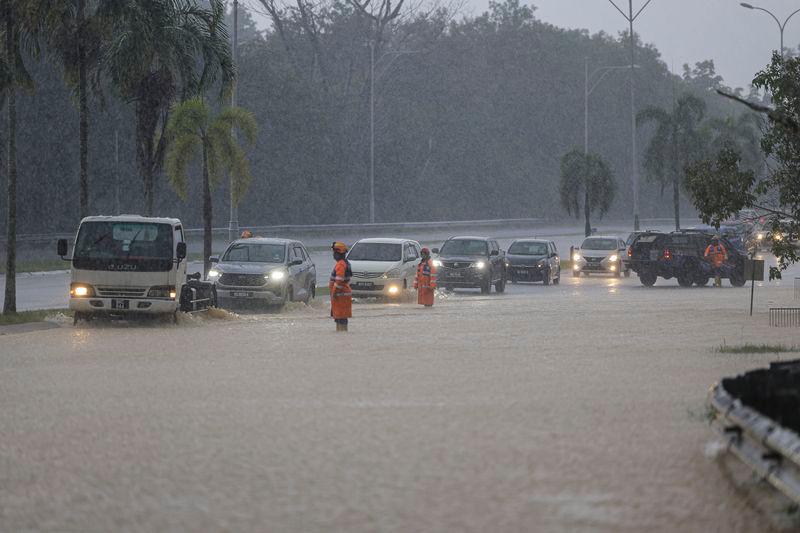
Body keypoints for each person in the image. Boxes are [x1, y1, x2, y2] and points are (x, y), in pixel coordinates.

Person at [329, 242, 352, 331]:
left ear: (338, 253)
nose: (333, 255)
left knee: (341, 319)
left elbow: (339, 280)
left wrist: (334, 292)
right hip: (342, 295)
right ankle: (341, 335)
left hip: (340, 295)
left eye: (334, 253)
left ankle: (342, 336)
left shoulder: (341, 264)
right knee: (340, 318)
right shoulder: (344, 263)